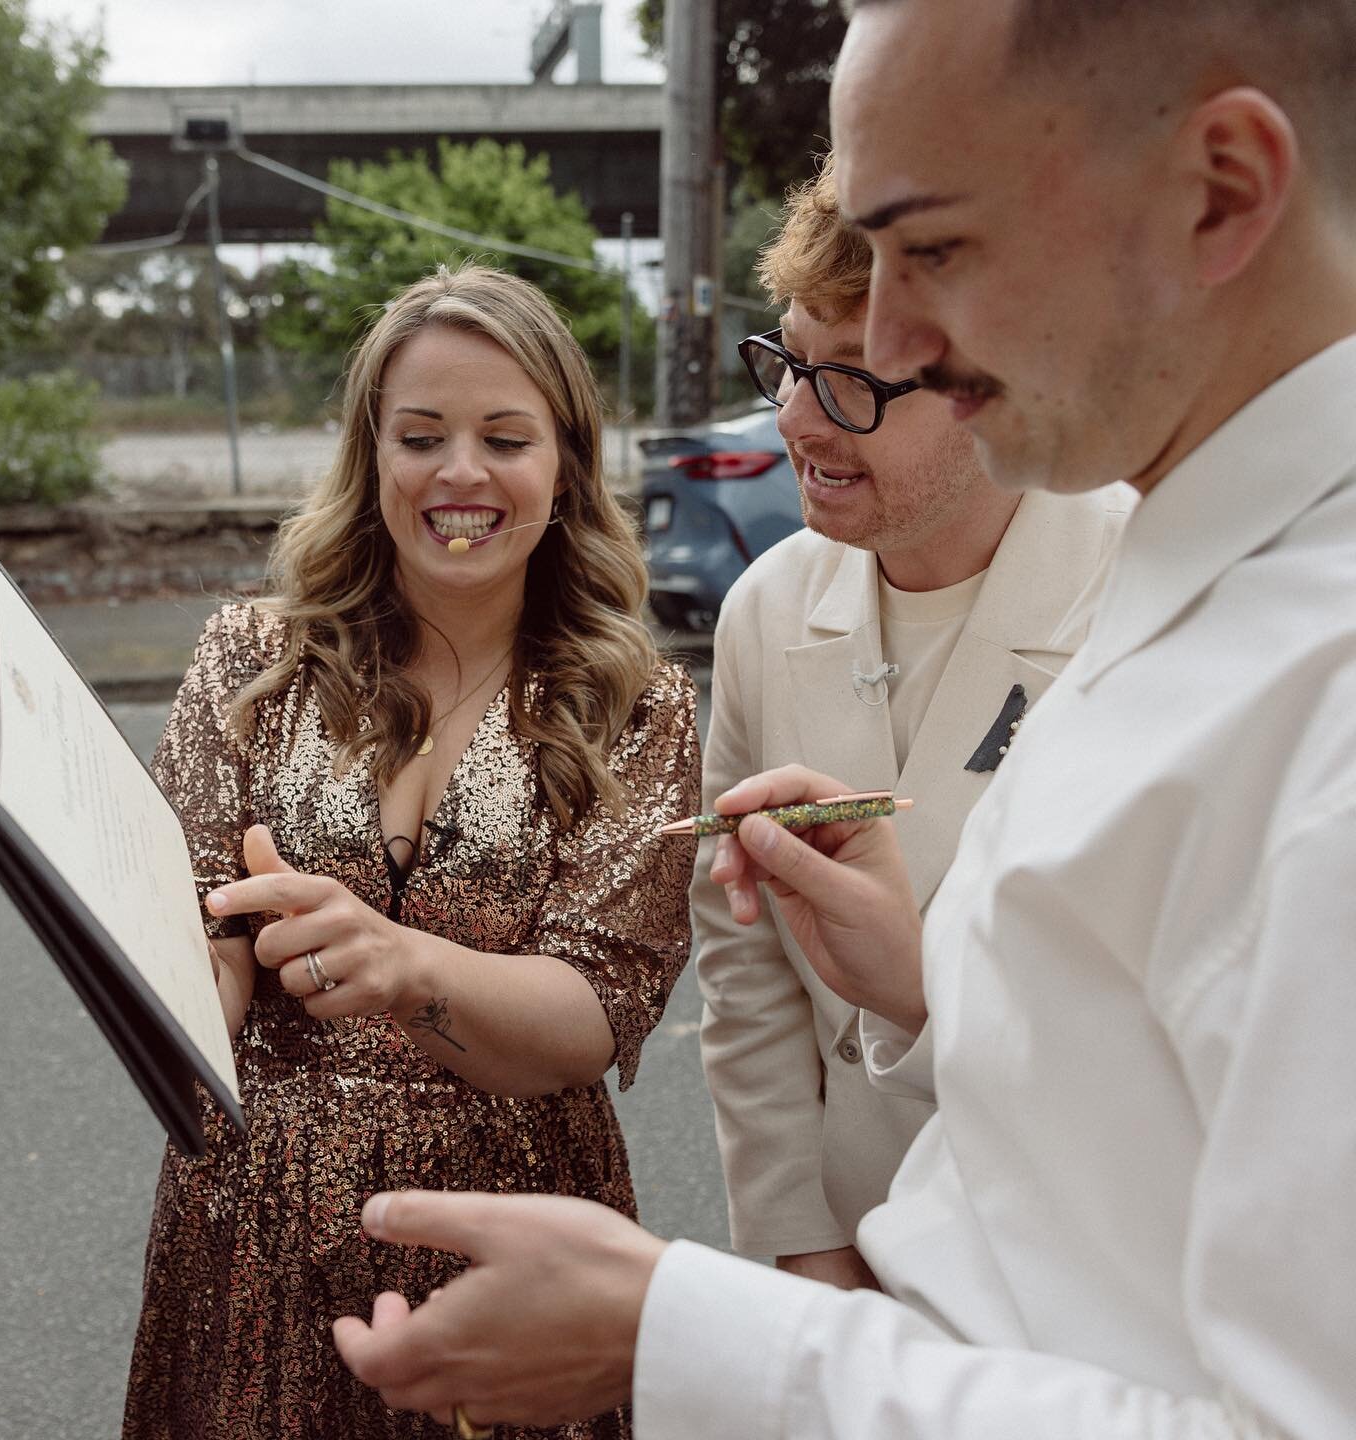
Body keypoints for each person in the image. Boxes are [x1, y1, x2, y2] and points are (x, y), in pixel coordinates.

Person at [330, 1, 1356, 1435]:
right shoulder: (1206, 564)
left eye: (932, 247)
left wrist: (685, 1334)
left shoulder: (1322, 704)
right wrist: (923, 989)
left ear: (1223, 191)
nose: (896, 343)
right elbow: (1109, 1147)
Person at [122, 263, 702, 1440]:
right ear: (370, 455)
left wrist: (405, 965)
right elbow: (201, 952)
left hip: (510, 1234)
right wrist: (152, 953)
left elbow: (596, 1011)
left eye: (506, 436)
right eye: (422, 435)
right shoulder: (250, 662)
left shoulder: (634, 705)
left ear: (566, 463)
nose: (462, 474)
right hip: (249, 1231)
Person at [697, 152, 1129, 1286]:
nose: (795, 418)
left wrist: (918, 993)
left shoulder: (1150, 604)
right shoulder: (765, 608)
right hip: (847, 1253)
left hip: (1073, 1269)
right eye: (787, 359)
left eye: (851, 380)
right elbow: (746, 981)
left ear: (1006, 383)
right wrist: (804, 1247)